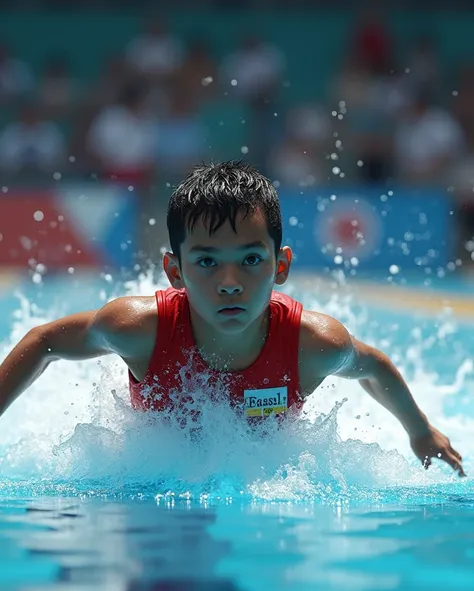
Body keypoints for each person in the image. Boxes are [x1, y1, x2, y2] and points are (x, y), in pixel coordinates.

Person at [0, 161, 464, 476]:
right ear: (174, 271)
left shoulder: (312, 342)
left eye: (249, 260)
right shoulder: (141, 329)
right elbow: (44, 340)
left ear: (280, 266)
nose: (229, 281)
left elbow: (373, 366)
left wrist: (420, 431)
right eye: (206, 262)